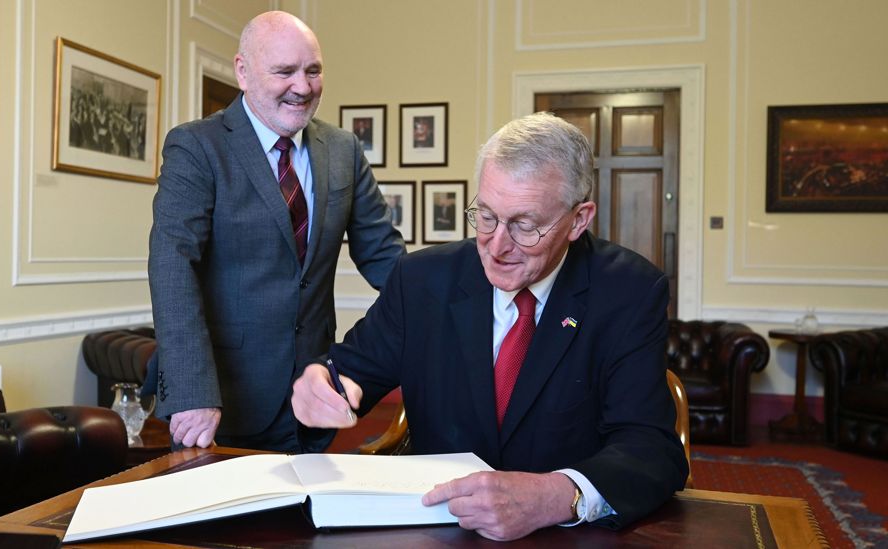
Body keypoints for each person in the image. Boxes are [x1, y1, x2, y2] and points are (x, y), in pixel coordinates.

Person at [291, 112, 688, 540]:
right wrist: (322, 383)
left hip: (563, 534)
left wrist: (556, 495)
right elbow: (351, 370)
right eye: (486, 216)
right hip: (438, 528)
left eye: (525, 225)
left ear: (578, 220)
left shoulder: (629, 292)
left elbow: (651, 450)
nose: (497, 246)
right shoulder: (422, 279)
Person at [147, 11, 405, 453]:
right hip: (220, 402)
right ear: (243, 72)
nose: (302, 87)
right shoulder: (197, 146)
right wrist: (193, 394)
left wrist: (458, 303)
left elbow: (386, 258)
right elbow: (172, 267)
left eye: (313, 71)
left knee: (306, 522)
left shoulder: (343, 150)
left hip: (312, 393)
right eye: (284, 72)